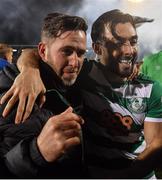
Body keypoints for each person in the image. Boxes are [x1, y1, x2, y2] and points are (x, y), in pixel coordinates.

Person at [1, 9, 162, 179]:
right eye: (117, 42)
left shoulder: (150, 87)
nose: (128, 51)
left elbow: (156, 144)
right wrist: (29, 71)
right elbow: (34, 53)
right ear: (98, 49)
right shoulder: (83, 73)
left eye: (133, 41)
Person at [0, 12, 87, 178]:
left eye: (81, 53)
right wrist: (36, 151)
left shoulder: (78, 80)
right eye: (66, 51)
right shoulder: (8, 93)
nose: (75, 62)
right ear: (42, 50)